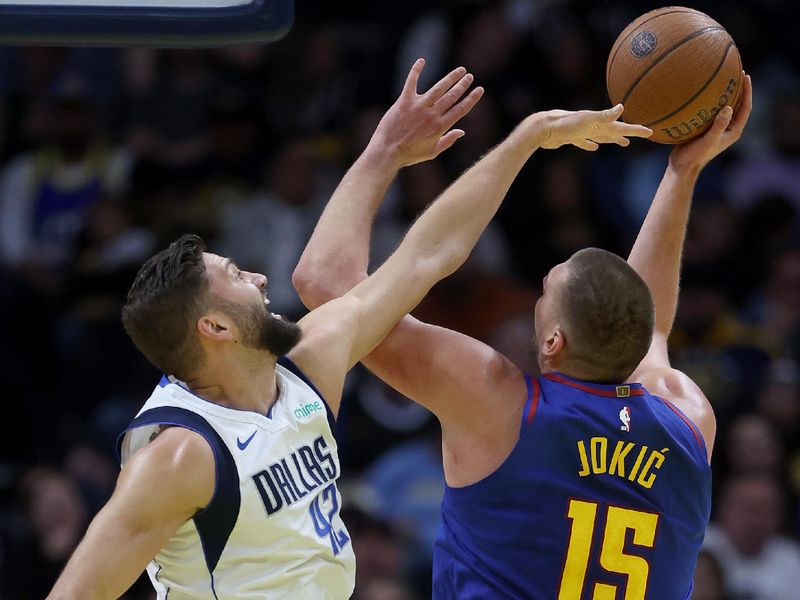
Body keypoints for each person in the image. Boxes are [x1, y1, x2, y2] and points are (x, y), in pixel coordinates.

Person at [46, 60, 649, 599]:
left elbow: (426, 255)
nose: (259, 278)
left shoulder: (308, 361)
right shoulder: (178, 455)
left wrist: (521, 139)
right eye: (236, 275)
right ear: (214, 326)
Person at [294, 73, 753, 598]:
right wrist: (684, 169)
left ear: (553, 341)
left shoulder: (496, 403)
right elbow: (648, 330)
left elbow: (326, 285)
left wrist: (386, 149)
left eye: (544, 294)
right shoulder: (686, 417)